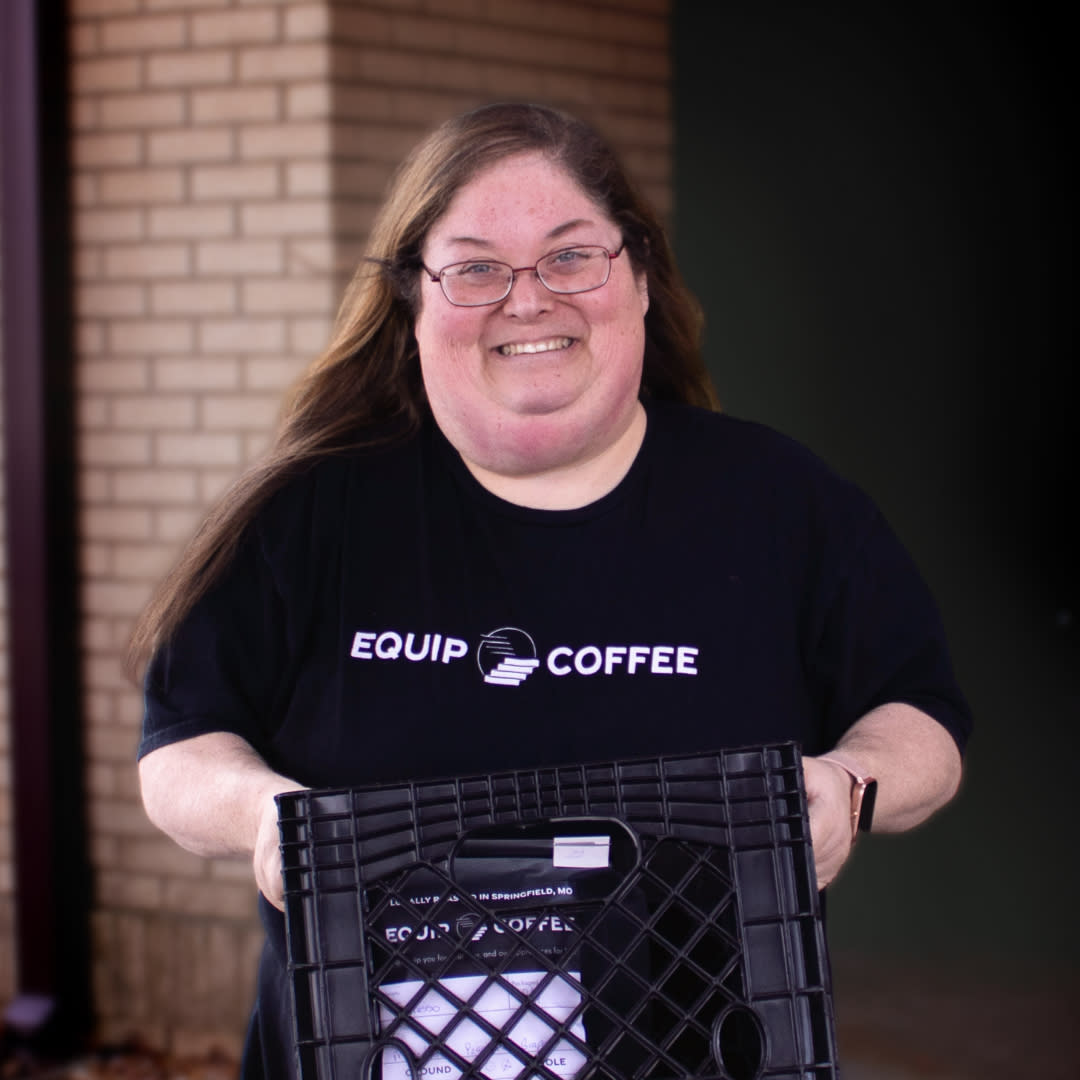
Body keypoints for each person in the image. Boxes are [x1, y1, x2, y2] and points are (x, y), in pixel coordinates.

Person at [131, 102, 971, 1077]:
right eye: (476, 267)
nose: (526, 300)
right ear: (414, 301)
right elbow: (179, 750)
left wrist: (850, 785)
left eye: (572, 256)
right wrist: (260, 813)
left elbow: (923, 721)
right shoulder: (310, 516)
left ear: (642, 279)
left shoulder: (781, 504)